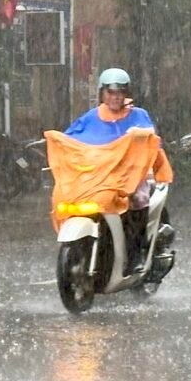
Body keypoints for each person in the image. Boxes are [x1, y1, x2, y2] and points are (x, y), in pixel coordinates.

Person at [64, 67, 164, 274]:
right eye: (110, 92)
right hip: (100, 177)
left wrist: (142, 135)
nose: (115, 97)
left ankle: (136, 254)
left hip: (132, 177)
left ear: (126, 93)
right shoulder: (91, 117)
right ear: (102, 93)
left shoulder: (138, 115)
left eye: (120, 92)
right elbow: (70, 139)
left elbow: (151, 137)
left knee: (136, 199)